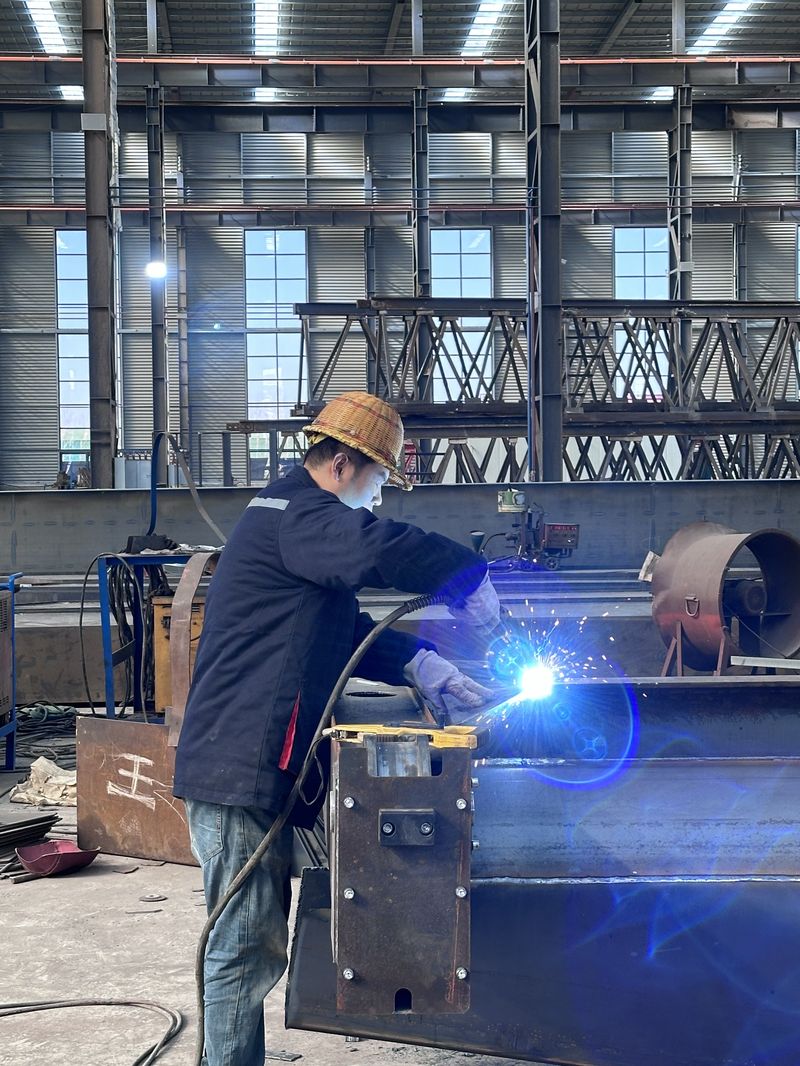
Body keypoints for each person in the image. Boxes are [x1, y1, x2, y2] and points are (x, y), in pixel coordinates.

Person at [172, 391, 501, 1066]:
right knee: (243, 946)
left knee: (251, 940)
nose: (377, 497)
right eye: (378, 479)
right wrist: (465, 575)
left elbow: (338, 628)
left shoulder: (286, 519)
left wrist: (420, 660)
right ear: (343, 463)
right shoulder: (299, 513)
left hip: (248, 761)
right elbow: (376, 548)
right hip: (238, 767)